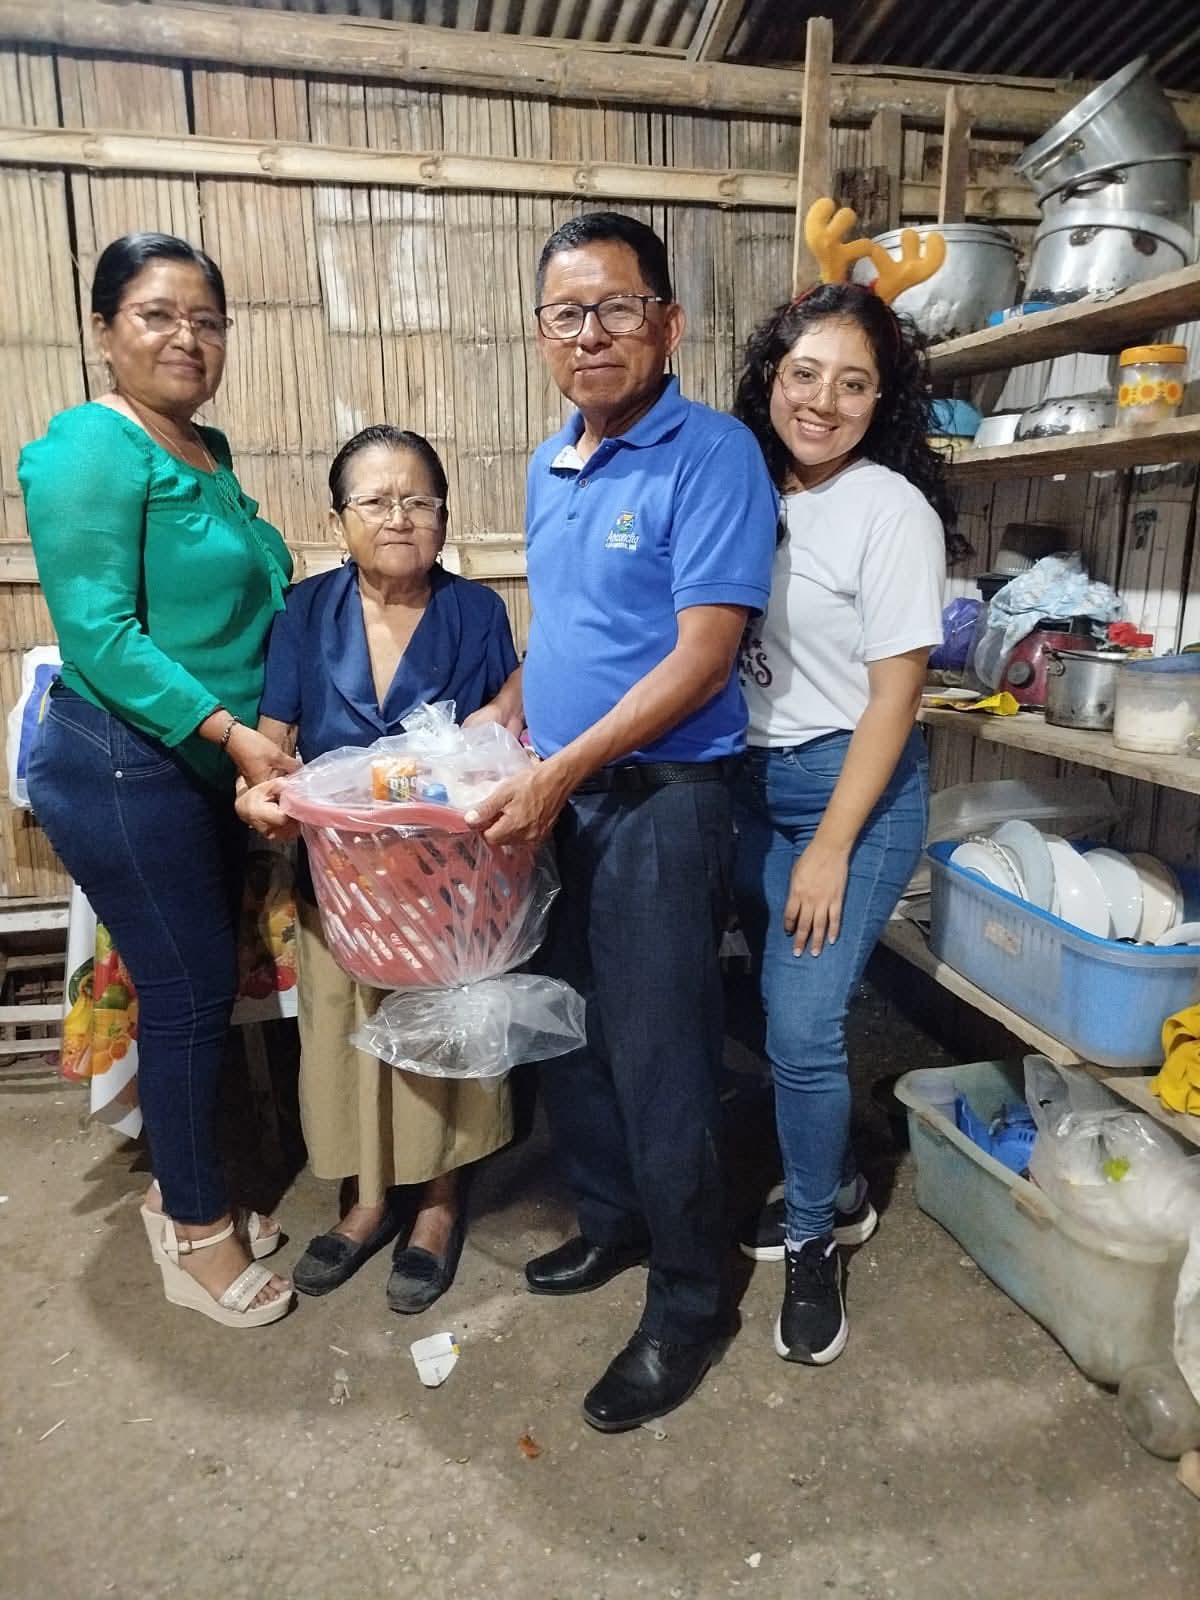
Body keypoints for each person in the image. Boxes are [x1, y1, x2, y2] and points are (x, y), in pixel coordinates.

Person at [464, 212, 777, 1431]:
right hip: (561, 793)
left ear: (668, 322)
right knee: (572, 1031)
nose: (589, 334)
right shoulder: (553, 464)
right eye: (565, 313)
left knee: (661, 1057)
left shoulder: (714, 455)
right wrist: (500, 720)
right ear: (542, 333)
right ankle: (615, 1222)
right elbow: (568, 634)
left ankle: (691, 1300)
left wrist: (560, 772)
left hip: (660, 803)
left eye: (614, 307)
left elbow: (703, 658)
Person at [20, 232, 298, 1329]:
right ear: (104, 331)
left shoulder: (204, 451)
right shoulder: (93, 445)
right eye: (157, 314)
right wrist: (233, 733)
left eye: (207, 320)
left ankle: (184, 1183)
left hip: (197, 766)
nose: (188, 336)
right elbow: (100, 633)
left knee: (200, 989)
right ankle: (192, 1228)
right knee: (186, 995)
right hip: (122, 761)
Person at [237, 426, 519, 1312]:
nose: (399, 517)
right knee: (346, 1031)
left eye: (418, 501)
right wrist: (262, 794)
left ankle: (437, 1203)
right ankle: (364, 1201)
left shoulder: (477, 612)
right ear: (339, 520)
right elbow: (274, 738)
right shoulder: (302, 612)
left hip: (449, 878)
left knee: (440, 1035)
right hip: (342, 878)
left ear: (443, 518)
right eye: (376, 500)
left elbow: (505, 728)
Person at [730, 281, 951, 1366]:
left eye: (854, 384)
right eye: (806, 373)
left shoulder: (889, 511)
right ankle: (845, 1182)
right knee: (774, 1011)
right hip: (751, 785)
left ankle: (816, 1235)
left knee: (803, 1027)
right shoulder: (744, 484)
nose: (823, 401)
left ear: (883, 401)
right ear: (771, 376)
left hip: (849, 796)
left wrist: (829, 847)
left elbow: (895, 699)